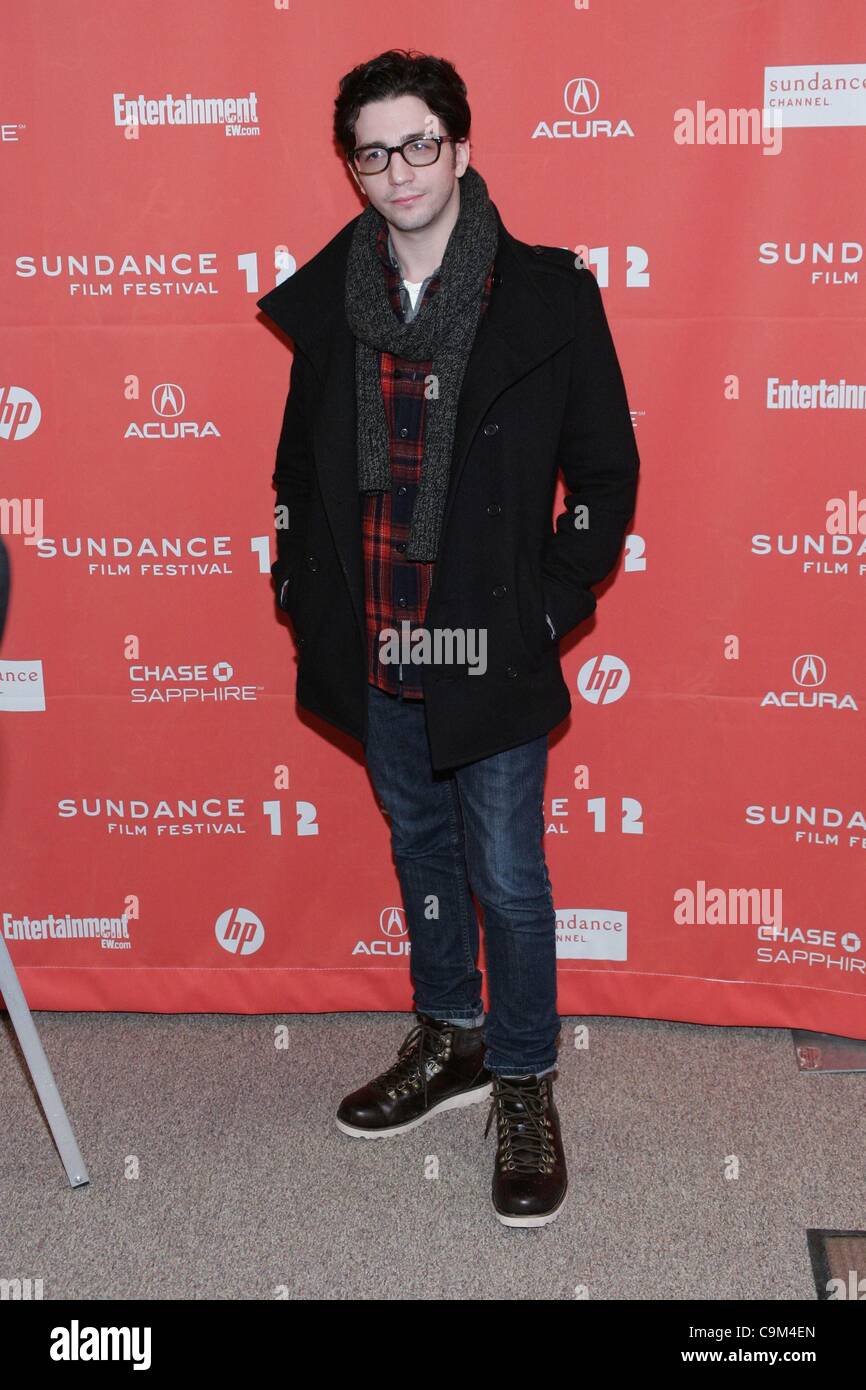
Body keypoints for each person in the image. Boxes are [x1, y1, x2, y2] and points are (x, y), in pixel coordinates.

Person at [256, 49, 640, 1227]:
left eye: (418, 142)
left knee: (509, 878)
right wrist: (296, 585)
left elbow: (605, 474)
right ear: (355, 171)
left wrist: (541, 607)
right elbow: (294, 468)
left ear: (459, 150)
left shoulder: (543, 294)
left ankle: (522, 1076)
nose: (398, 168)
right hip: (375, 633)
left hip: (485, 644)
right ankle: (453, 1033)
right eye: (372, 151)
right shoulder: (333, 296)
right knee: (421, 854)